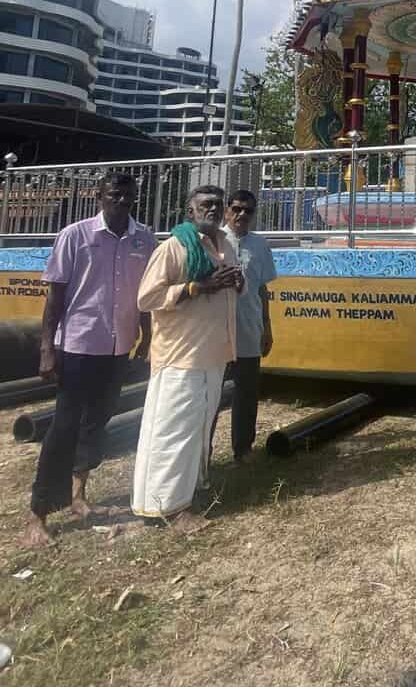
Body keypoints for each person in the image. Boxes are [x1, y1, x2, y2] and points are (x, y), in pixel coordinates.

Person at [22, 171, 154, 548]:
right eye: (114, 194)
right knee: (64, 426)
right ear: (99, 197)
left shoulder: (144, 239)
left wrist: (146, 336)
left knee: (98, 422)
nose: (121, 201)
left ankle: (78, 494)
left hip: (119, 347)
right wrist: (47, 349)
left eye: (128, 195)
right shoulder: (75, 236)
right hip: (79, 345)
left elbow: (145, 294)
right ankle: (38, 513)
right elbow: (55, 297)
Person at [132, 185, 243, 531]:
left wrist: (235, 282)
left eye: (218, 205)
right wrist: (197, 287)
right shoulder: (173, 248)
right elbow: (147, 298)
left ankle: (190, 490)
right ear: (189, 211)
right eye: (205, 204)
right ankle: (167, 506)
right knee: (172, 433)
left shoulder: (225, 246)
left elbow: (226, 288)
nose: (213, 209)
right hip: (180, 356)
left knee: (199, 429)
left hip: (213, 353)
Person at [220, 189, 279, 462]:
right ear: (226, 211)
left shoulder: (260, 244)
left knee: (246, 393)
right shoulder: (214, 241)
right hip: (216, 332)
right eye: (236, 209)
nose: (242, 214)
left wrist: (267, 327)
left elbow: (262, 288)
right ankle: (203, 452)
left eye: (248, 210)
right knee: (211, 394)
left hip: (249, 329)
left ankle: (243, 449)